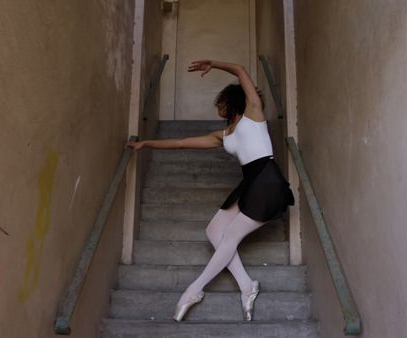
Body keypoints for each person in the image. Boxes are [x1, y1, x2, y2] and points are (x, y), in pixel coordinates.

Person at [126, 60, 294, 322]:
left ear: (232, 101)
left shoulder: (254, 112)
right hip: (250, 183)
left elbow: (240, 71)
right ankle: (247, 286)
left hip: (268, 181)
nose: (218, 105)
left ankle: (193, 290)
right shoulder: (223, 134)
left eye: (221, 101)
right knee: (214, 230)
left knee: (230, 236)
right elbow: (182, 143)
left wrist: (213, 64)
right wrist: (147, 143)